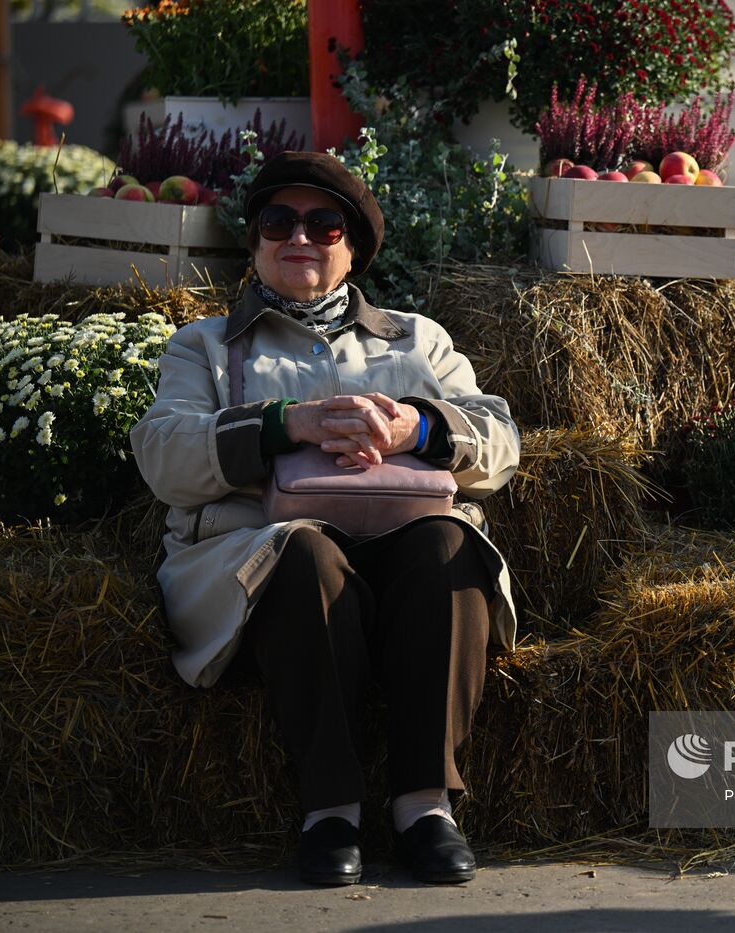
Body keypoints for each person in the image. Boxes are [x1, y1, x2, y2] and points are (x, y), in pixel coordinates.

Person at [130, 151, 521, 885]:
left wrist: (417, 429)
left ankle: (425, 805)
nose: (299, 238)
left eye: (323, 223)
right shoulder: (205, 346)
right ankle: (331, 809)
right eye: (278, 221)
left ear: (353, 249)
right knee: (303, 554)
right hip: (264, 559)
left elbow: (501, 442)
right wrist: (289, 423)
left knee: (447, 542)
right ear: (254, 244)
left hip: (403, 549)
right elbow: (164, 454)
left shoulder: (416, 338)